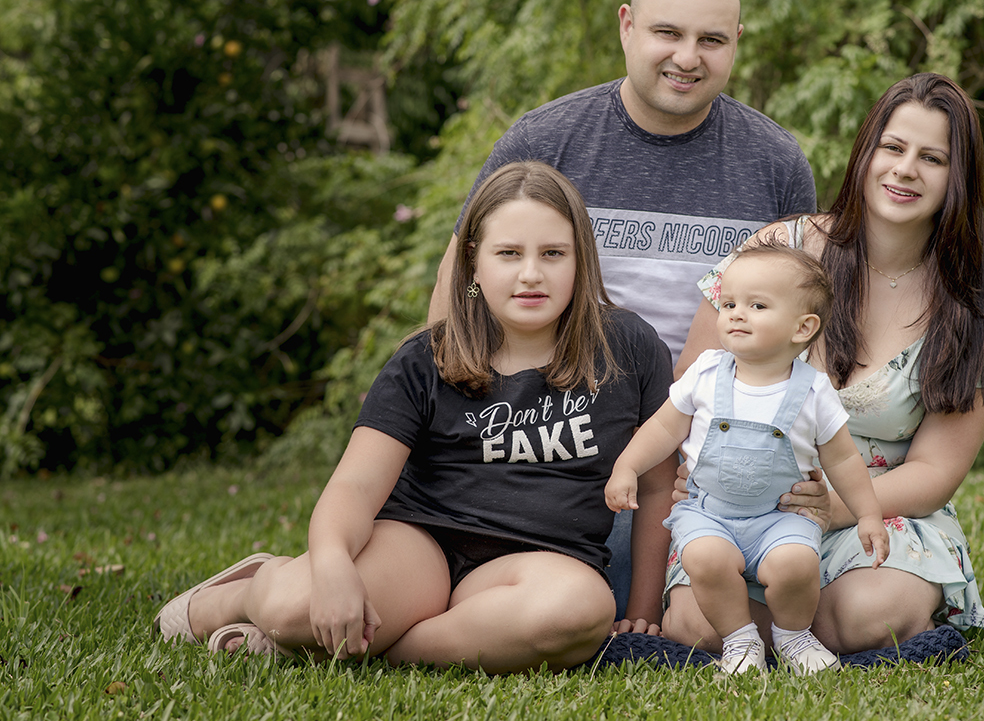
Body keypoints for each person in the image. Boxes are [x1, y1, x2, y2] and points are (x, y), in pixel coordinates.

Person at [152, 162, 674, 673]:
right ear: (473, 262)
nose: (531, 274)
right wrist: (332, 565)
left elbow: (655, 488)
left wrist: (643, 611)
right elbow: (356, 485)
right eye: (509, 253)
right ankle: (239, 596)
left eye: (553, 253)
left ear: (582, 260)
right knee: (293, 610)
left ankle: (376, 645)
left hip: (540, 567)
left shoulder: (628, 349)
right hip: (419, 548)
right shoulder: (425, 359)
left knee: (579, 611)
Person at [427, 0, 817, 620]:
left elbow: (800, 316)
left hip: (706, 456)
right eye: (667, 32)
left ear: (736, 43)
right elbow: (461, 282)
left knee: (735, 608)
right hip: (554, 440)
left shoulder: (774, 165)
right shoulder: (548, 141)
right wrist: (455, 408)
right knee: (521, 595)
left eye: (711, 40)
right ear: (627, 26)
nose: (687, 58)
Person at [662, 73, 984, 657]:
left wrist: (833, 507)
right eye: (893, 147)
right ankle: (792, 631)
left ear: (960, 178)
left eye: (932, 158)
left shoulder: (970, 310)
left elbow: (935, 470)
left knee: (877, 614)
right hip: (740, 506)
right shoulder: (781, 250)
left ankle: (785, 630)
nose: (905, 170)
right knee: (695, 622)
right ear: (866, 152)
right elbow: (692, 383)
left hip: (875, 511)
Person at [605, 242, 889, 675]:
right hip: (709, 513)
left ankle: (793, 635)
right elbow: (662, 429)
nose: (737, 314)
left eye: (757, 306)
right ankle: (740, 639)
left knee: (795, 564)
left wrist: (868, 514)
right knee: (704, 559)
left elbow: (844, 460)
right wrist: (627, 466)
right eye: (729, 303)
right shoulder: (705, 373)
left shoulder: (813, 391)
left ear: (803, 327)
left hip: (780, 517)